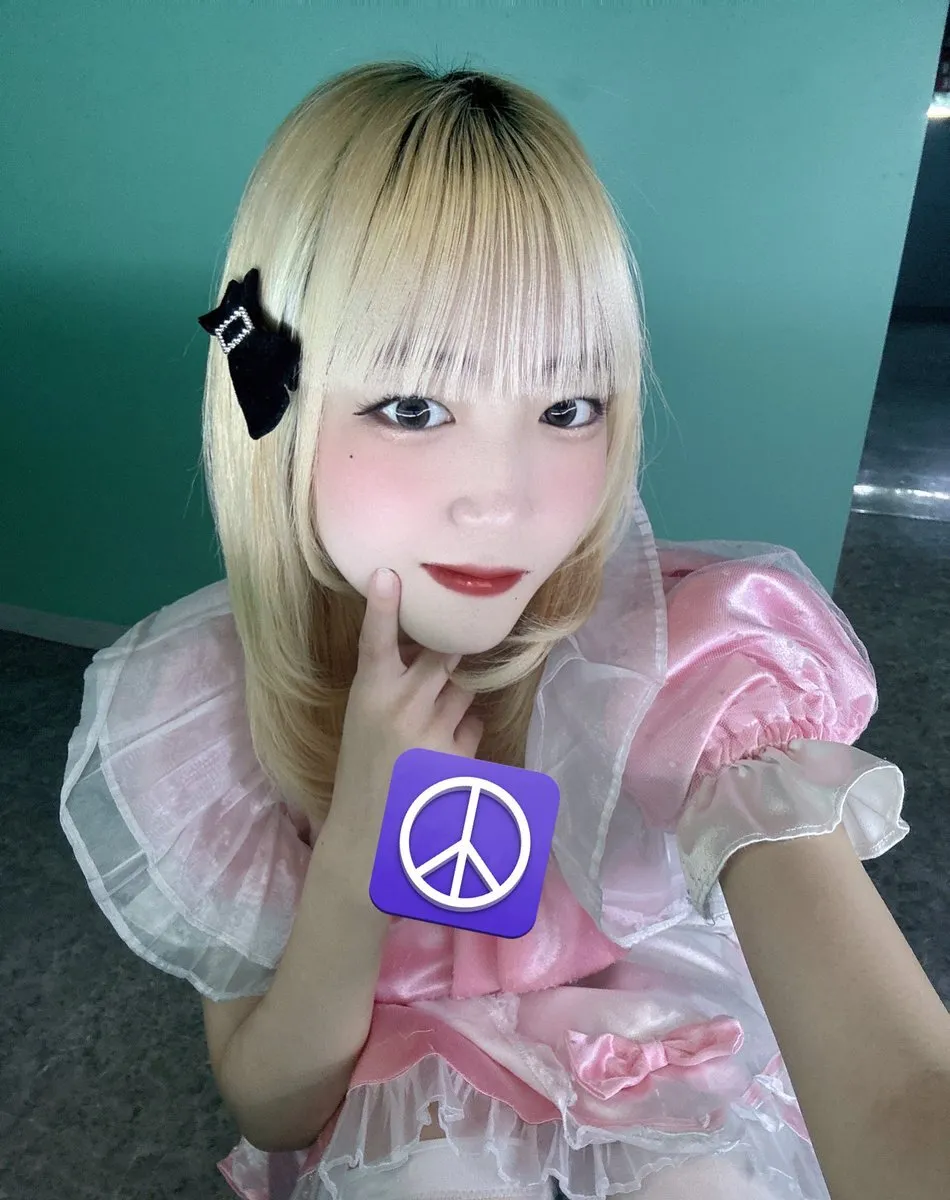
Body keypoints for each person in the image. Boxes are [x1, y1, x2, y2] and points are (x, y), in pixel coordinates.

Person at [58, 60, 947, 1200]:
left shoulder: (700, 658)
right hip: (402, 1106)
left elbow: (901, 1091)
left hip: (658, 1069)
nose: (505, 498)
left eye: (566, 408)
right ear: (268, 400)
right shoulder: (206, 713)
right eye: (413, 407)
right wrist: (361, 833)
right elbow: (274, 1105)